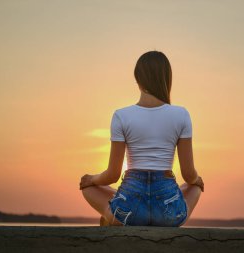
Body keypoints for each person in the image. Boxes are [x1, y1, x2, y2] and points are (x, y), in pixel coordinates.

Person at [80, 50, 204, 227]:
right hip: (167, 214)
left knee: (89, 188)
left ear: (137, 79)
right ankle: (132, 213)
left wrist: (91, 179)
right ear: (167, 79)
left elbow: (113, 174)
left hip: (129, 212)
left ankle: (113, 216)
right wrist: (197, 181)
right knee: (193, 187)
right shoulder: (181, 115)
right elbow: (189, 174)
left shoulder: (121, 116)